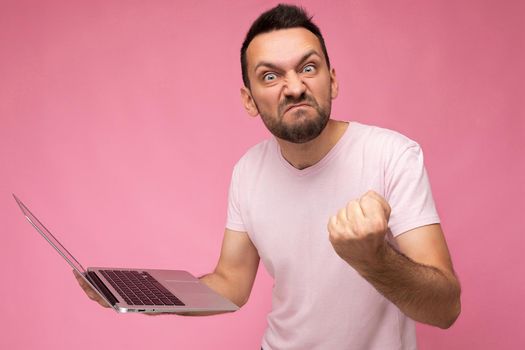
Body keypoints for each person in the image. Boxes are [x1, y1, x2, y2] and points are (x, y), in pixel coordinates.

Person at [75, 4, 461, 349]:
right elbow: (231, 283)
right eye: (271, 76)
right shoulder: (248, 171)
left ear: (333, 80)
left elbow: (445, 309)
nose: (295, 88)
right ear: (249, 99)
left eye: (309, 68)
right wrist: (143, 295)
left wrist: (373, 259)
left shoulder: (393, 155)